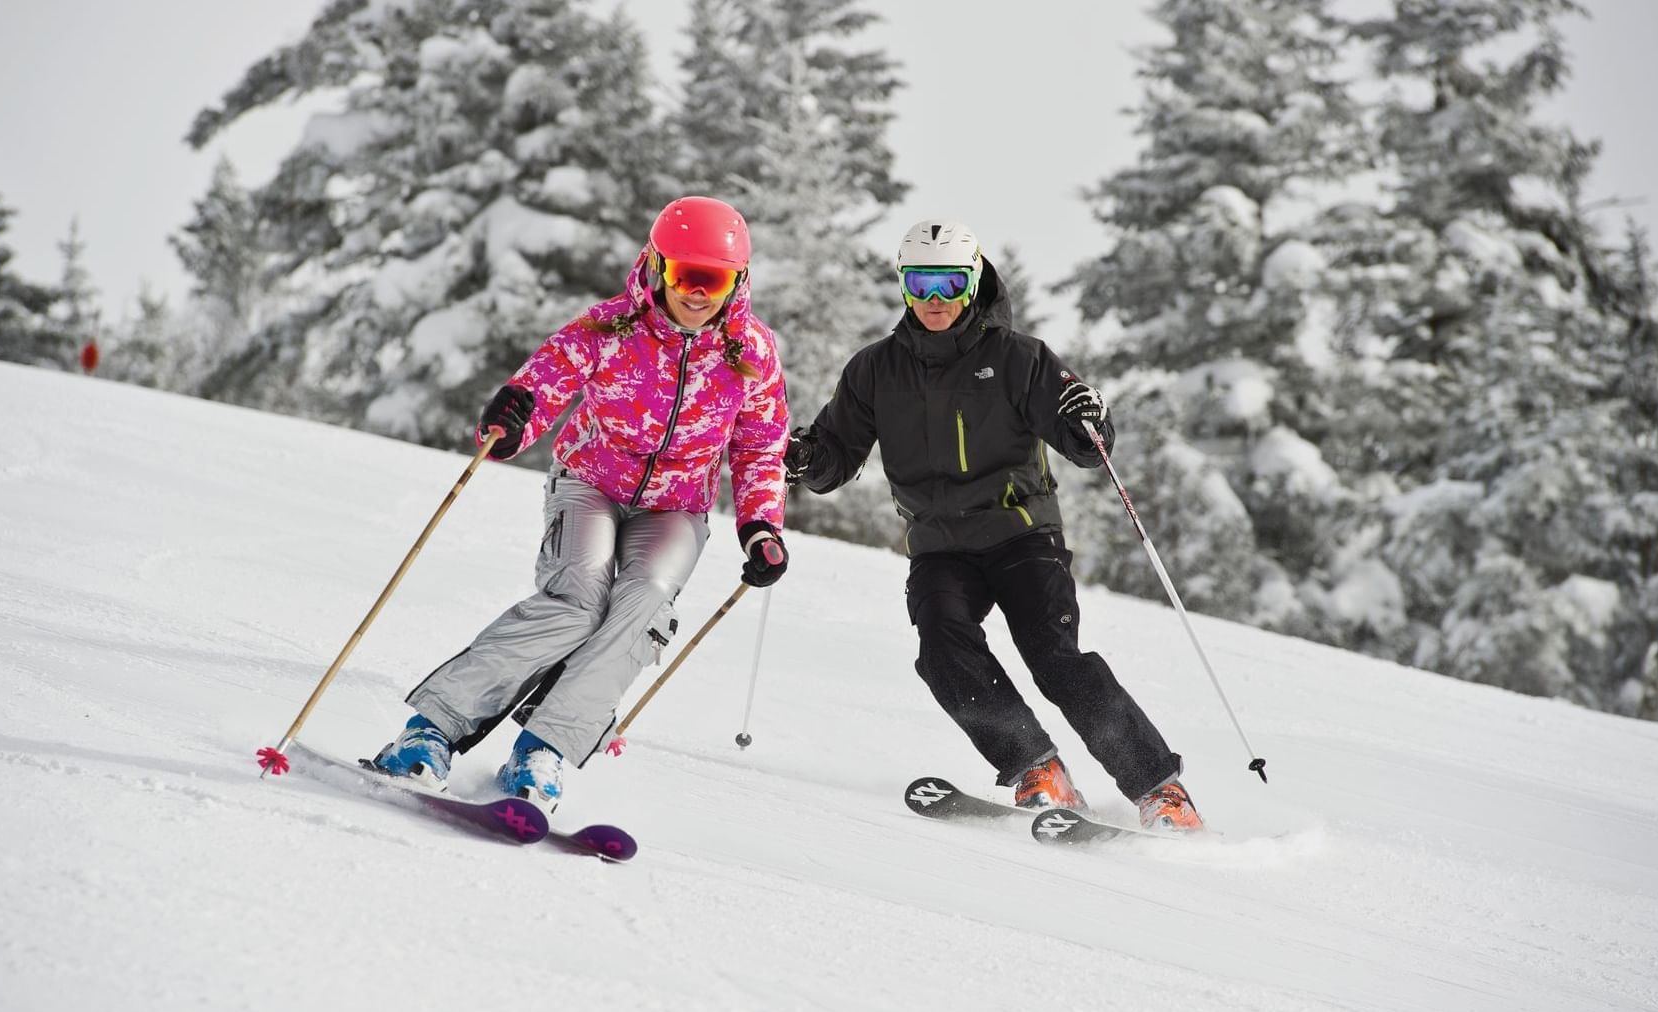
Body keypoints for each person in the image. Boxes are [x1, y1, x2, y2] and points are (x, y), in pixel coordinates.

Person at [369, 196, 791, 812]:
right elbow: (546, 379)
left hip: (676, 506)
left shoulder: (749, 354)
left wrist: (760, 526)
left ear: (738, 282)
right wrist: (515, 417)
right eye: (684, 275)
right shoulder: (610, 327)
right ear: (656, 266)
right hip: (591, 480)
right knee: (577, 599)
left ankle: (543, 749)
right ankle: (429, 732)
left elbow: (760, 447)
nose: (697, 293)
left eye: (715, 279)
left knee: (643, 604)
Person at [786, 219, 1202, 831]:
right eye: (920, 283)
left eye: (949, 283)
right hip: (939, 547)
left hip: (1021, 535)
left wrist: (1089, 421)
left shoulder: (1019, 358)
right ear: (903, 285)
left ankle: (1160, 791)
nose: (934, 300)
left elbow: (1084, 444)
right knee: (942, 647)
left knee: (1054, 657)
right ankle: (1038, 768)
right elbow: (835, 457)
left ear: (972, 281)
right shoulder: (874, 371)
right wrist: (806, 458)